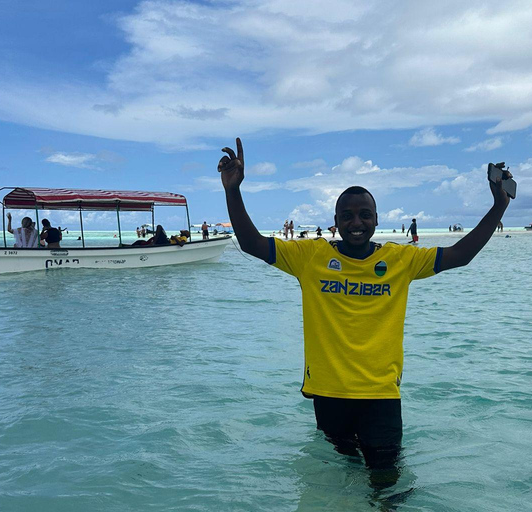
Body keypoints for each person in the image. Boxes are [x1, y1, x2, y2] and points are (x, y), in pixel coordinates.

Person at [217, 138, 511, 488]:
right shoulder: (309, 257)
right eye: (347, 215)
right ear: (336, 221)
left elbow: (460, 255)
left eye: (364, 214)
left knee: (387, 484)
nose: (356, 222)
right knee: (342, 481)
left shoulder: (400, 259)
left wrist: (499, 207)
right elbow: (251, 244)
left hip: (381, 396)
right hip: (329, 394)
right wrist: (233, 191)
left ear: (377, 219)